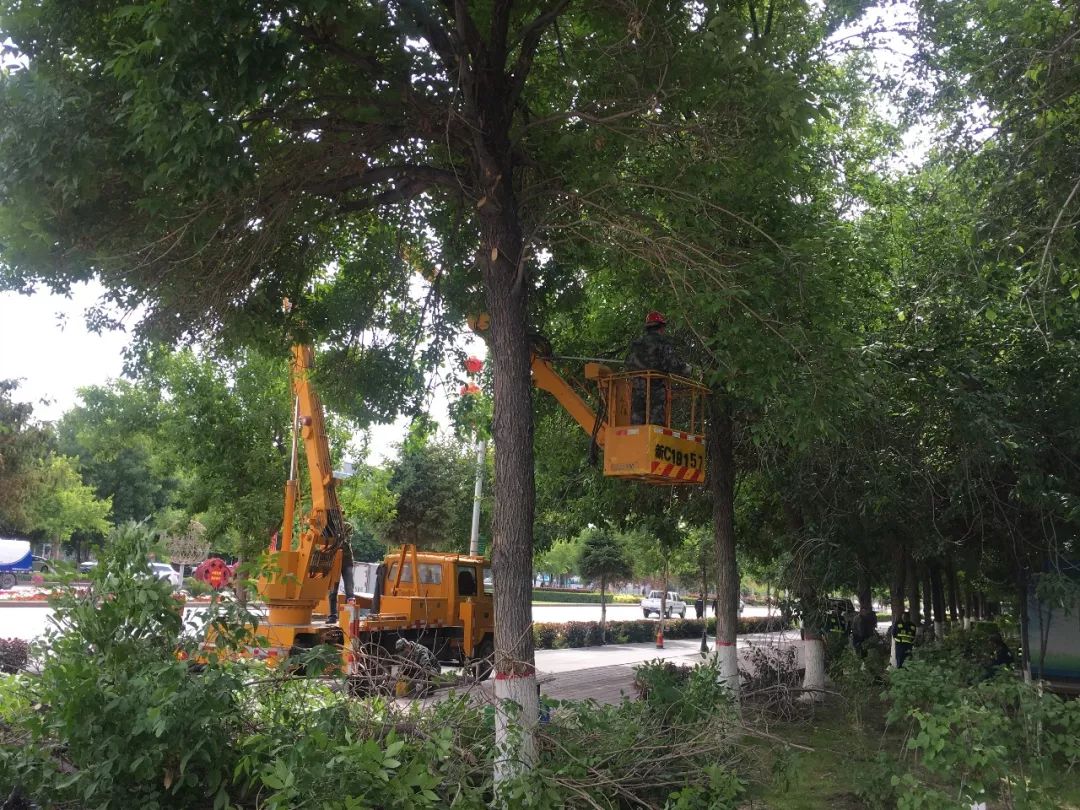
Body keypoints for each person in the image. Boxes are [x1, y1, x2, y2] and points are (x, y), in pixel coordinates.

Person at [625, 311, 692, 425]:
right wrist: (686, 368)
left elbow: (627, 363)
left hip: (638, 389)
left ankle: (636, 438)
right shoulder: (662, 342)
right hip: (655, 389)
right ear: (661, 328)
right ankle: (656, 442)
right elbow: (672, 364)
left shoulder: (636, 344)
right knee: (656, 424)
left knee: (637, 424)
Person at [326, 541, 355, 624]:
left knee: (349, 591)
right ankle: (333, 616)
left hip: (347, 561)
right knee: (333, 591)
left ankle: (349, 617)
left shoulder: (345, 531)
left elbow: (348, 537)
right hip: (334, 562)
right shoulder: (329, 530)